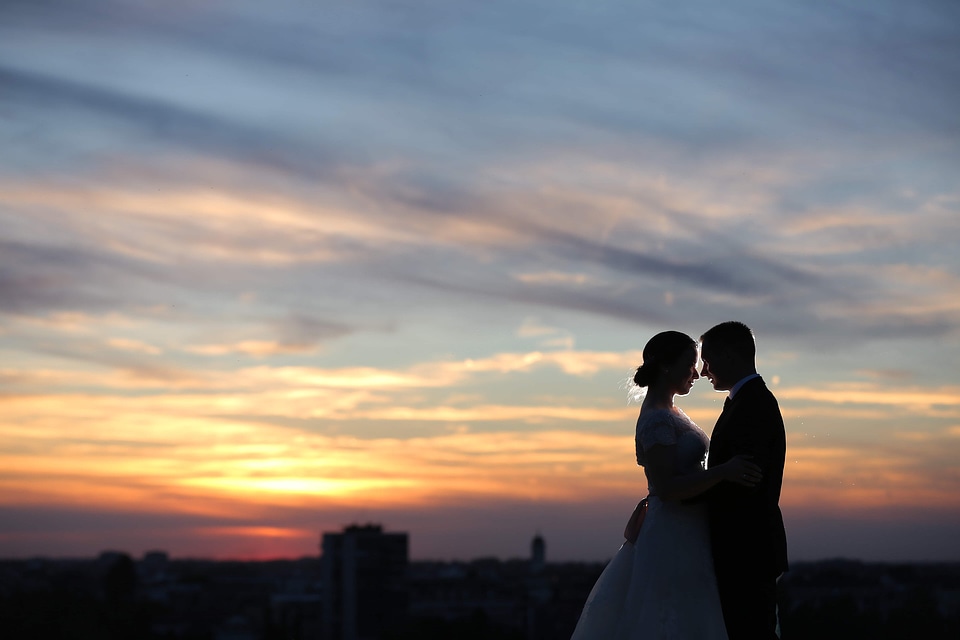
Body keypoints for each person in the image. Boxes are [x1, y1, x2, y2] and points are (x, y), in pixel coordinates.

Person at [571, 331, 762, 640]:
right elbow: (668, 488)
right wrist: (724, 472)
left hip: (690, 529)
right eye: (690, 364)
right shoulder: (656, 421)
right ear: (666, 367)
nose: (697, 373)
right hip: (672, 533)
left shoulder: (671, 413)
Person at [700, 321, 788, 640]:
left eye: (708, 360)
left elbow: (744, 483)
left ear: (729, 355)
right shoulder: (745, 401)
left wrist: (678, 494)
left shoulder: (754, 405)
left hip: (745, 552)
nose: (704, 370)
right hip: (743, 551)